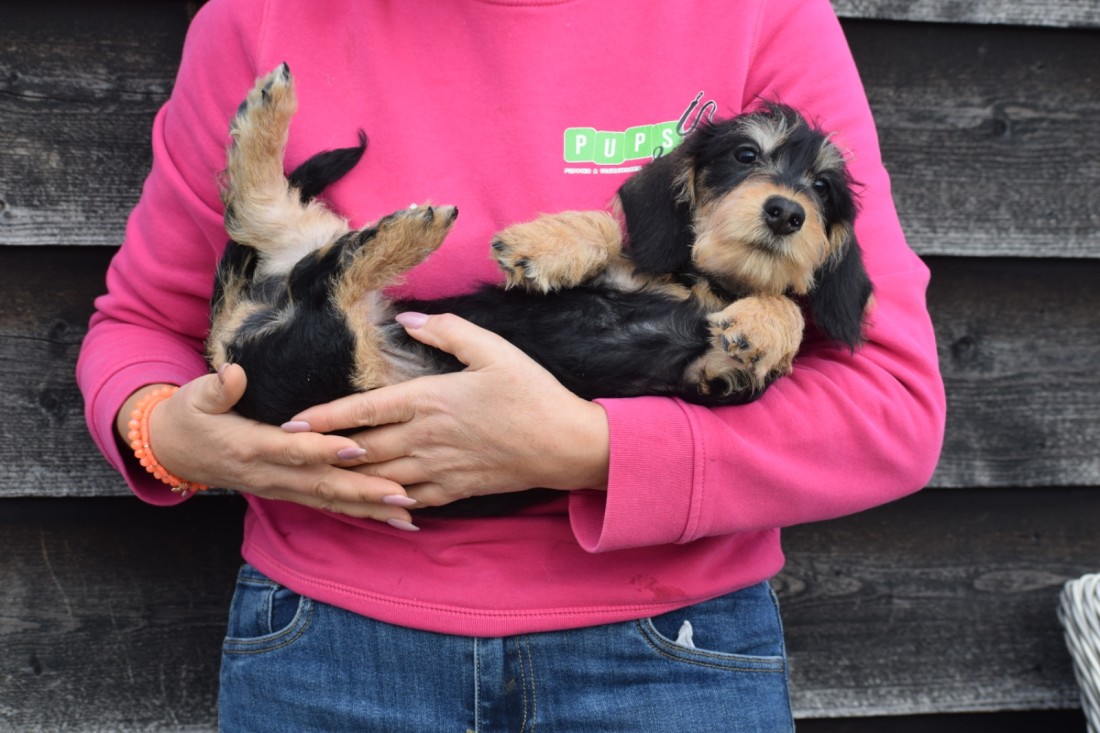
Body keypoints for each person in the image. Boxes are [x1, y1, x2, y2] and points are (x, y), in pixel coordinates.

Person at [77, 0, 946, 730]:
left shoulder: (756, 15)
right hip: (326, 645)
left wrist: (585, 448)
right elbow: (143, 323)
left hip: (668, 654)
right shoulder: (260, 17)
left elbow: (892, 402)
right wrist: (167, 436)